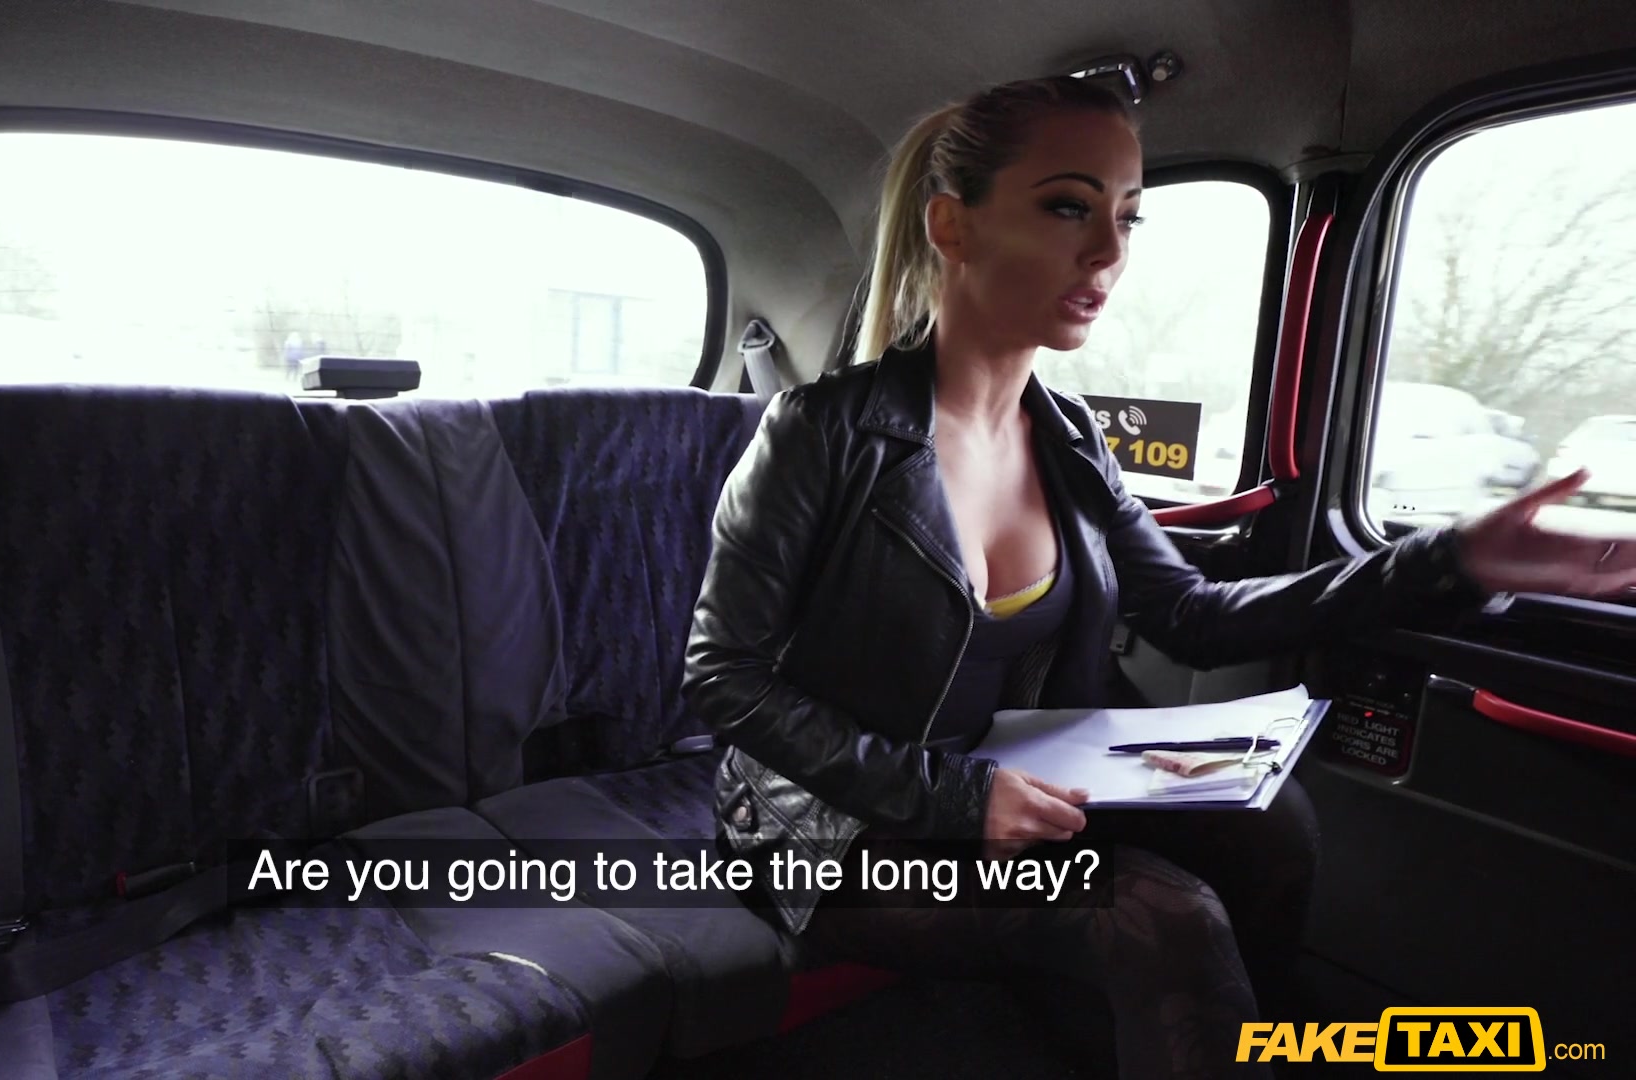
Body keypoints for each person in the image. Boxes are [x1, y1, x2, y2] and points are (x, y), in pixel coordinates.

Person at [682, 76, 1636, 1079]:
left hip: (1012, 773)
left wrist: (1451, 558)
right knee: (1158, 912)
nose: (1109, 253)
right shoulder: (821, 433)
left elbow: (1192, 612)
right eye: (1068, 207)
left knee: (1274, 826)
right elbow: (723, 676)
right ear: (953, 227)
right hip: (829, 828)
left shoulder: (1070, 440)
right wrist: (957, 799)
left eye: (1128, 218)